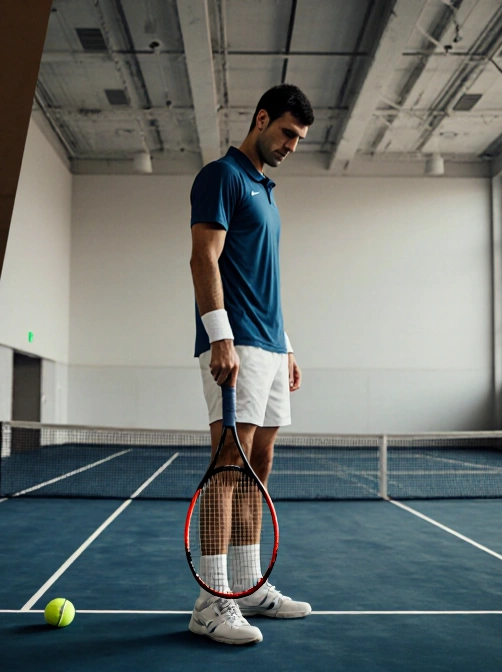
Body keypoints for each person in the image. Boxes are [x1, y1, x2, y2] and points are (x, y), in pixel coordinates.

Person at [186, 84, 314, 645]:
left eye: (299, 139)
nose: (291, 145)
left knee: (258, 468)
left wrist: (287, 345)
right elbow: (203, 257)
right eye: (286, 132)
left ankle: (249, 586)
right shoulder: (222, 177)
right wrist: (221, 338)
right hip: (234, 346)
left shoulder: (268, 195)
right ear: (261, 118)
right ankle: (211, 603)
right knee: (228, 468)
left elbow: (268, 283)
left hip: (268, 345)